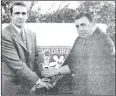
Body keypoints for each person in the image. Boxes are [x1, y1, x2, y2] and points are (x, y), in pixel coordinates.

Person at [42, 12, 115, 95]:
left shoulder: (103, 40)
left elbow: (80, 65)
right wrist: (57, 77)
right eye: (77, 26)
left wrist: (57, 71)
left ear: (92, 25)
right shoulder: (79, 39)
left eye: (83, 25)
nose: (80, 29)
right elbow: (70, 60)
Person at [1, 1, 52, 96]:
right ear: (11, 15)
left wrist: (45, 76)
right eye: (17, 13)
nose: (20, 16)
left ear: (27, 15)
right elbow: (17, 64)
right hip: (11, 87)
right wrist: (38, 81)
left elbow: (36, 58)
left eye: (23, 13)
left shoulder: (32, 34)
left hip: (28, 86)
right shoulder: (4, 35)